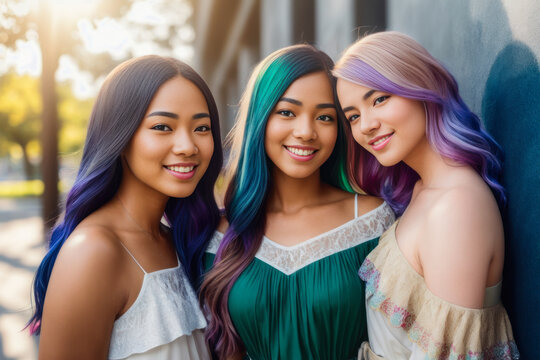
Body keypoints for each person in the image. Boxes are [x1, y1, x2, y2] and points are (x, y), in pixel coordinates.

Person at [200, 44, 395, 360]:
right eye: (287, 112)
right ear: (260, 118)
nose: (306, 132)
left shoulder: (372, 220)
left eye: (325, 117)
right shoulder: (219, 233)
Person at [334, 31, 519, 359]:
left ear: (422, 88)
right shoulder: (423, 190)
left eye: (379, 99)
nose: (365, 126)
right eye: (352, 116)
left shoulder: (456, 206)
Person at [28, 55, 223, 359]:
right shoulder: (93, 251)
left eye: (201, 128)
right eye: (162, 126)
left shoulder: (179, 242)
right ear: (119, 135)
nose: (188, 146)